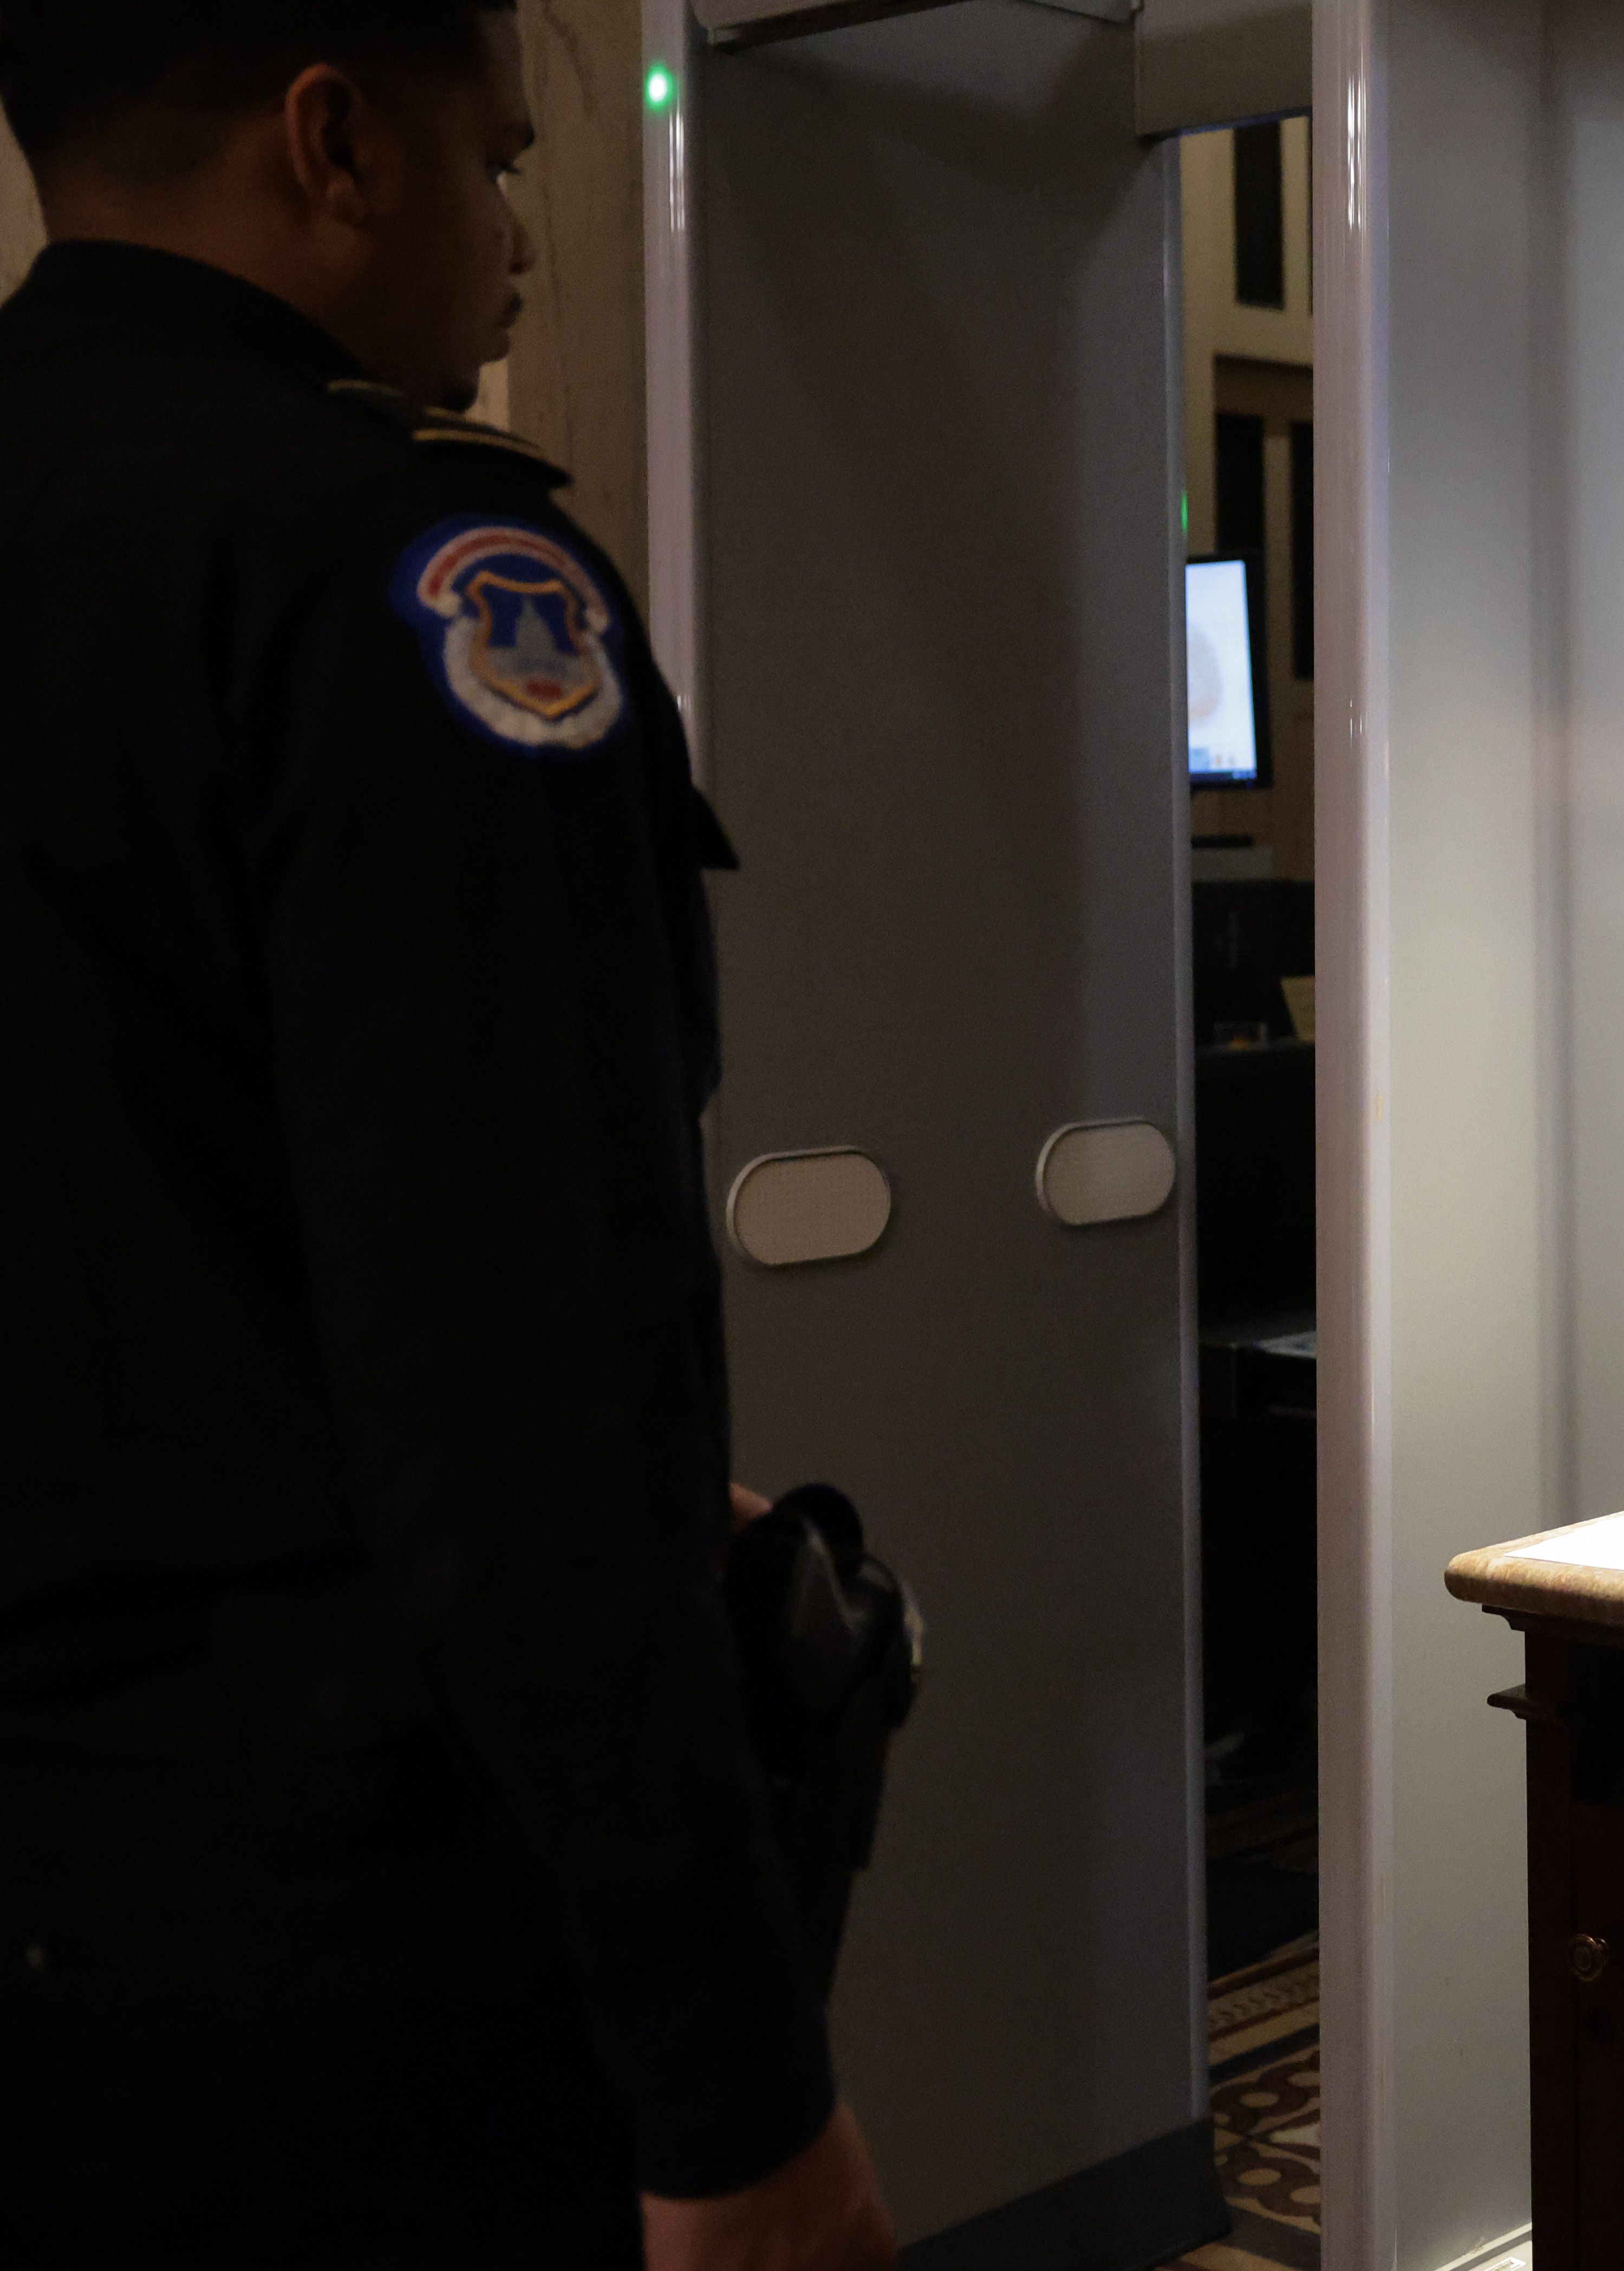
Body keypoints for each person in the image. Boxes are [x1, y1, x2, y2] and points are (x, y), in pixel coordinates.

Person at [0, 6, 896, 2264]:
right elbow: (528, 1424)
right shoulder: (396, 583)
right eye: (500, 164)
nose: (520, 245)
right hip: (339, 1941)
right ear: (334, 141)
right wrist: (738, 2099)